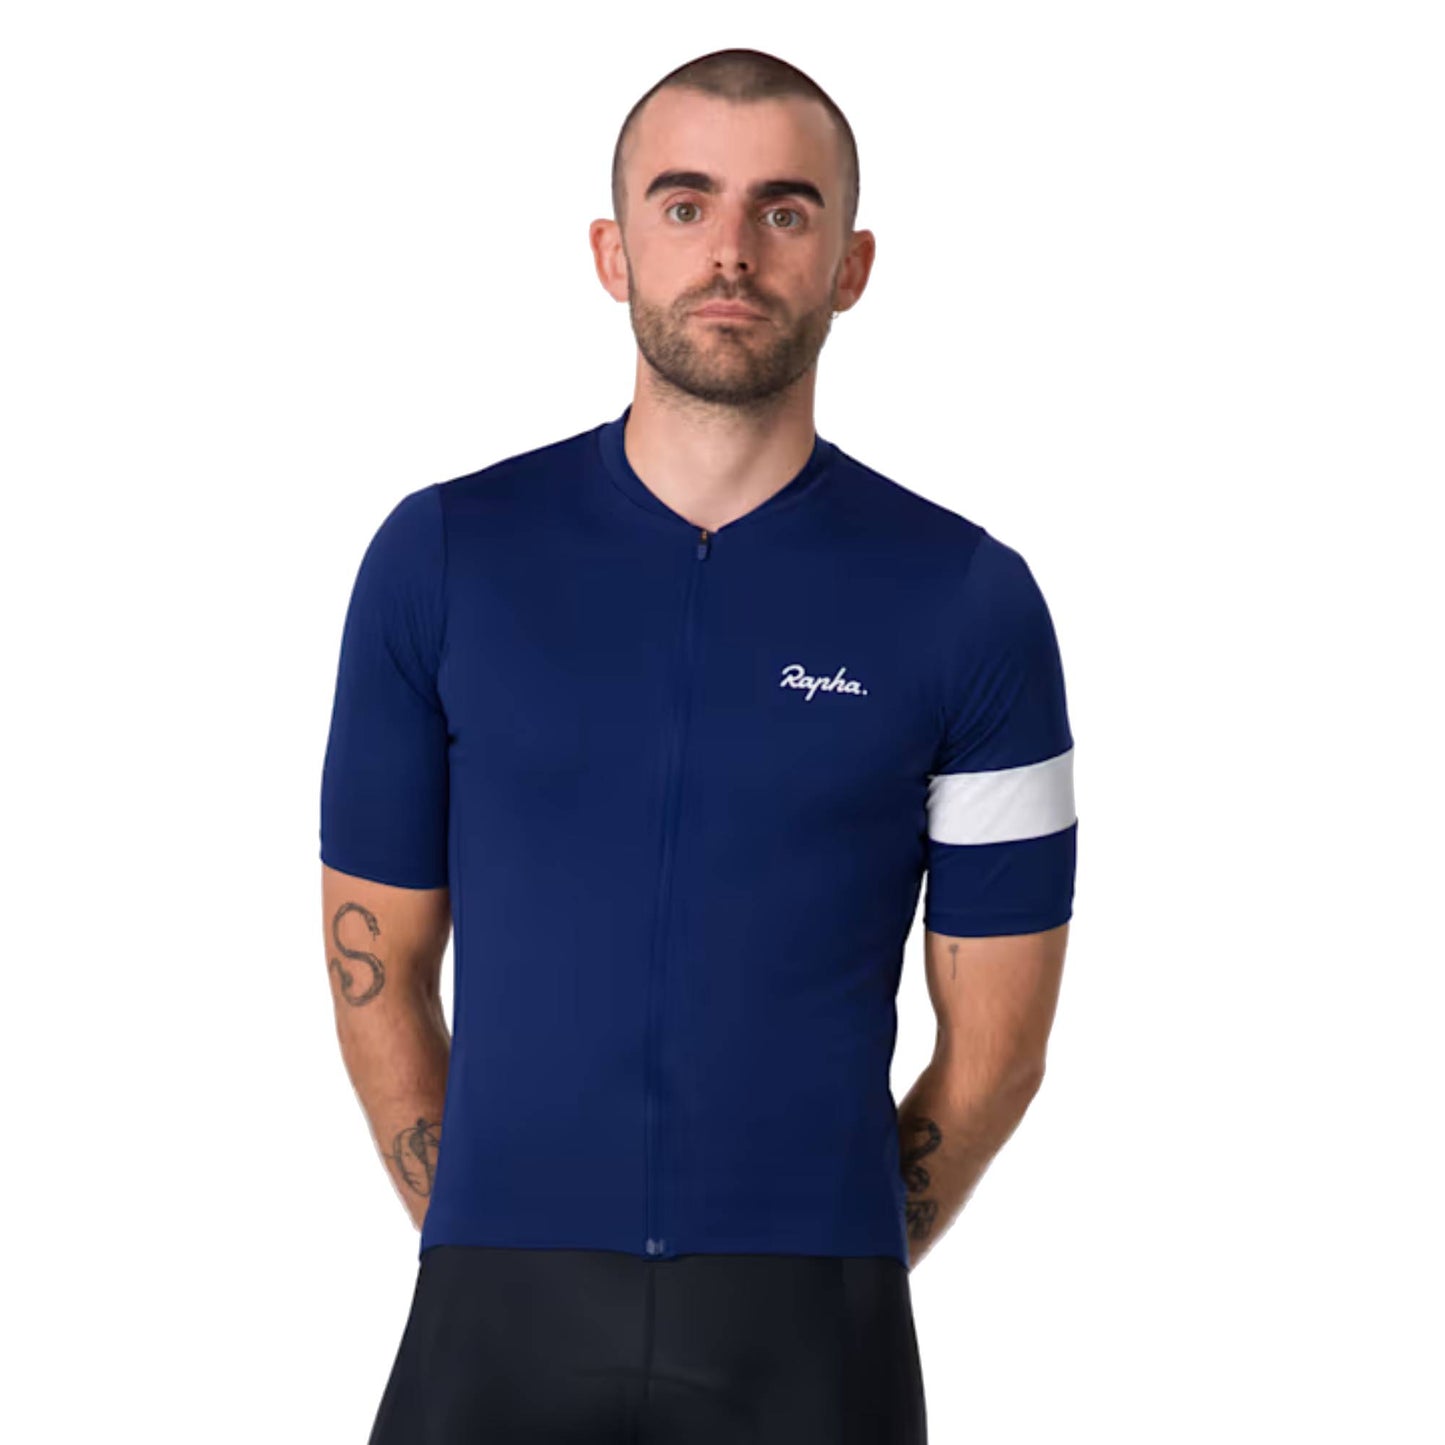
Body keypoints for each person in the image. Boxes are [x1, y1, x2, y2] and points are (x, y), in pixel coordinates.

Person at [319, 45, 1075, 1445]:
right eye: (684, 205)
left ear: (850, 266)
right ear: (613, 253)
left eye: (784, 210)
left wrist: (826, 1254)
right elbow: (376, 960)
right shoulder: (442, 559)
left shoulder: (968, 600)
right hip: (496, 1317)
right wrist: (485, 1225)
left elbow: (1000, 1049)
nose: (730, 250)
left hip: (810, 1329)